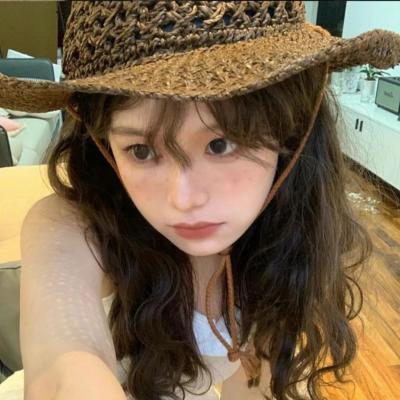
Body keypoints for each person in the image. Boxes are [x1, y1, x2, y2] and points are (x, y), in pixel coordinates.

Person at [0, 1, 399, 399]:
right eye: (141, 151)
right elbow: (64, 367)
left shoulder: (285, 231)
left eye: (220, 144)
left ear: (290, 129)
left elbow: (254, 387)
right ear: (104, 143)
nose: (183, 199)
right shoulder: (70, 226)